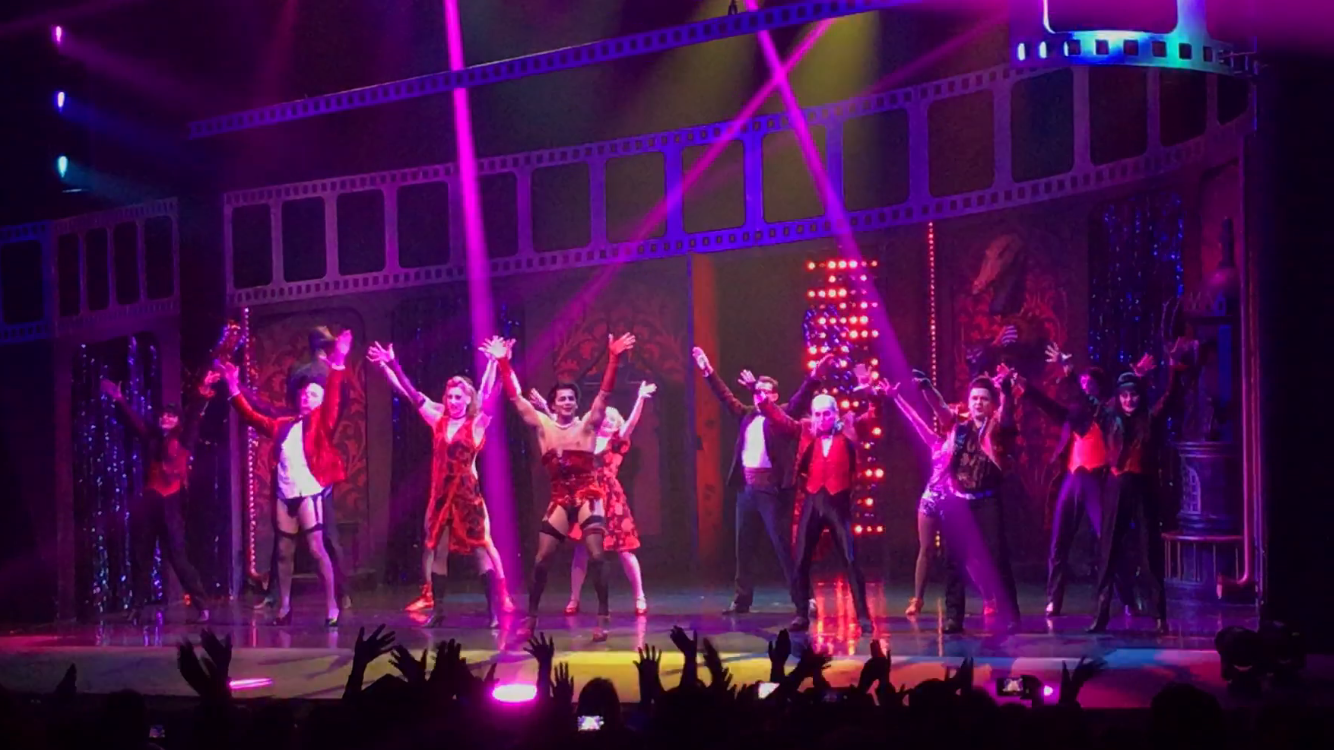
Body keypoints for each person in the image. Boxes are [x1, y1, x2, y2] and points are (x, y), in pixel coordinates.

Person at [492, 333, 635, 637]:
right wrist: (504, 363)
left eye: (571, 398)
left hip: (588, 494)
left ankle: (603, 618)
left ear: (576, 403)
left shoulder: (587, 426)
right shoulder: (543, 426)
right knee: (542, 559)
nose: (567, 402)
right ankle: (531, 618)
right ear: (553, 404)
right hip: (560, 497)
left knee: (596, 555)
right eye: (562, 399)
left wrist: (613, 358)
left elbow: (605, 394)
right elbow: (516, 399)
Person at [219, 329, 352, 627]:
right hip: (284, 492)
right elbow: (252, 416)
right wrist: (233, 386)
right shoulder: (284, 423)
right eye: (304, 393)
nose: (306, 397)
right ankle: (285, 606)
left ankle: (332, 604)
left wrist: (339, 360)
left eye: (313, 394)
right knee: (283, 551)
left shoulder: (323, 422)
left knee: (317, 549)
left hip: (308, 491)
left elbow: (333, 397)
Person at [691, 346, 826, 616]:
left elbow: (801, 398)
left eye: (765, 390)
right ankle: (742, 600)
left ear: (774, 396)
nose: (759, 394)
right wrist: (708, 371)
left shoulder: (784, 414)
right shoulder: (748, 415)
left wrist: (814, 377)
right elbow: (725, 397)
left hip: (771, 490)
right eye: (757, 390)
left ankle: (804, 597)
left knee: (783, 547)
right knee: (744, 546)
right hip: (747, 489)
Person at [1025, 343, 1151, 617]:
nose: (1083, 387)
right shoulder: (1074, 416)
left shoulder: (1109, 413)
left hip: (1097, 480)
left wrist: (1139, 378)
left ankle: (1127, 599)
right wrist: (1026, 388)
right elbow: (1050, 406)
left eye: (1088, 384)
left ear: (1098, 388)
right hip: (1073, 478)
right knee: (1059, 541)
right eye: (1081, 383)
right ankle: (1054, 598)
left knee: (1109, 541)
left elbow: (1130, 406)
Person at [758, 365, 884, 634]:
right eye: (817, 414)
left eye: (826, 414)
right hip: (813, 501)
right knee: (801, 559)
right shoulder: (806, 429)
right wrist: (762, 401)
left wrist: (871, 392)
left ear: (835, 414)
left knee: (850, 559)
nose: (822, 419)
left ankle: (863, 616)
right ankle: (801, 613)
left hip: (839, 503)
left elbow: (874, 416)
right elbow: (781, 420)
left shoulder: (849, 425)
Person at [1088, 339, 1192, 634]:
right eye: (1124, 396)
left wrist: (1173, 366)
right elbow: (1091, 402)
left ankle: (1159, 616)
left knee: (1150, 551)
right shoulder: (1109, 418)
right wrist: (1069, 373)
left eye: (1133, 395)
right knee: (1108, 550)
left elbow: (1170, 396)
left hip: (1144, 487)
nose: (1129, 400)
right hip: (1117, 485)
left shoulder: (1150, 418)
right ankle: (1101, 614)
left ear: (1139, 396)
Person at [100, 372, 218, 624]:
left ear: (177, 420)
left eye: (171, 416)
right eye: (163, 415)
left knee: (178, 558)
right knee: (142, 557)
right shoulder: (152, 437)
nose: (166, 418)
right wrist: (120, 399)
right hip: (151, 501)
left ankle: (201, 604)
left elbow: (194, 417)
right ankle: (137, 608)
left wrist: (202, 390)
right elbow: (135, 423)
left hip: (171, 502)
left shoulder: (184, 437)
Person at [544, 381, 657, 616]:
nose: (606, 419)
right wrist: (546, 409)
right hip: (587, 497)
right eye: (603, 416)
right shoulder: (585, 439)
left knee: (625, 550)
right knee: (581, 550)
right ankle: (574, 598)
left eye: (610, 417)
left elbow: (631, 424)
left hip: (611, 499)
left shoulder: (617, 442)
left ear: (616, 423)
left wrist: (640, 399)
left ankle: (640, 596)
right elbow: (561, 429)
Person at [941, 372, 1021, 634]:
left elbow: (1007, 417)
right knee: (954, 560)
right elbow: (939, 409)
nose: (978, 403)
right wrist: (927, 387)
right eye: (974, 398)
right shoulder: (960, 429)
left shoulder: (997, 429)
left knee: (998, 558)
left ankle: (1010, 614)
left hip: (987, 500)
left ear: (991, 404)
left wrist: (1006, 392)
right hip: (960, 502)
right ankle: (954, 617)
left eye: (984, 399)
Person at [885, 372, 957, 617]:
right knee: (925, 549)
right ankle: (917, 599)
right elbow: (915, 421)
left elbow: (942, 407)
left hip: (953, 502)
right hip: (930, 500)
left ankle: (989, 597)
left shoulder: (965, 443)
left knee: (959, 553)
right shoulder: (936, 442)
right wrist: (896, 398)